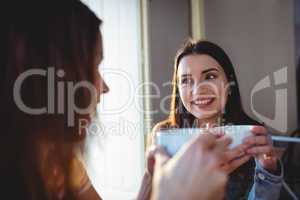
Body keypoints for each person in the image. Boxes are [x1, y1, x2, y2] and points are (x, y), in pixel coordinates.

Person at [0, 1, 230, 200]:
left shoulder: (62, 160)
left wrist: (149, 184)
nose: (105, 87)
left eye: (210, 76)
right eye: (92, 67)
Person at [141, 40, 284, 200]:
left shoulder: (253, 137)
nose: (198, 89)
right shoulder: (164, 136)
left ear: (229, 84)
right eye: (186, 80)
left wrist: (267, 171)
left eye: (209, 76)